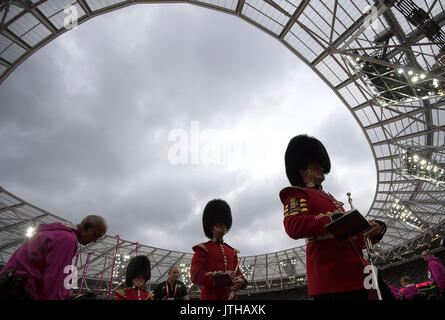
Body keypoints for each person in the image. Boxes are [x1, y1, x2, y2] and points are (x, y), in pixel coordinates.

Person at [280, 134, 387, 300]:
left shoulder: (332, 199)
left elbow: (352, 240)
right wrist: (335, 219)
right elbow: (294, 226)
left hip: (361, 274)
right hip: (333, 279)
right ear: (302, 168)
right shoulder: (297, 195)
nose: (322, 167)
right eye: (317, 163)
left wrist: (374, 230)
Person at [0, 215, 107, 300]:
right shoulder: (67, 239)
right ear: (87, 227)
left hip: (12, 282)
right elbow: (54, 276)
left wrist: (64, 295)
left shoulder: (58, 233)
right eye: (96, 235)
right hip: (20, 288)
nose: (94, 241)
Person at [190, 199, 247, 300]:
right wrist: (222, 277)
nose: (224, 226)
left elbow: (238, 273)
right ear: (212, 227)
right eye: (219, 224)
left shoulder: (232, 251)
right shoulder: (202, 249)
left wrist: (241, 281)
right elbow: (196, 276)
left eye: (225, 223)